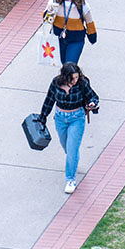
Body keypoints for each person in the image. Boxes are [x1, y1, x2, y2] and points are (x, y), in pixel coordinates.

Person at [39, 62, 99, 193]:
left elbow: (93, 96)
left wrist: (93, 103)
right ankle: (73, 160)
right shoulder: (56, 83)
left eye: (77, 77)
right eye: (72, 78)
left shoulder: (82, 83)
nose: (75, 80)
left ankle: (70, 179)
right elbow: (49, 100)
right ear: (65, 77)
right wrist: (43, 117)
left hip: (77, 118)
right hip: (60, 118)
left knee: (71, 150)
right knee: (66, 146)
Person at [44, 0, 97, 65]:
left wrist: (92, 36)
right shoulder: (54, 1)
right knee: (64, 64)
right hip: (59, 38)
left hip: (76, 39)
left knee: (70, 65)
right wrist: (51, 12)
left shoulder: (82, 4)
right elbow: (46, 19)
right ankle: (71, 78)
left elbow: (89, 21)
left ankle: (74, 78)